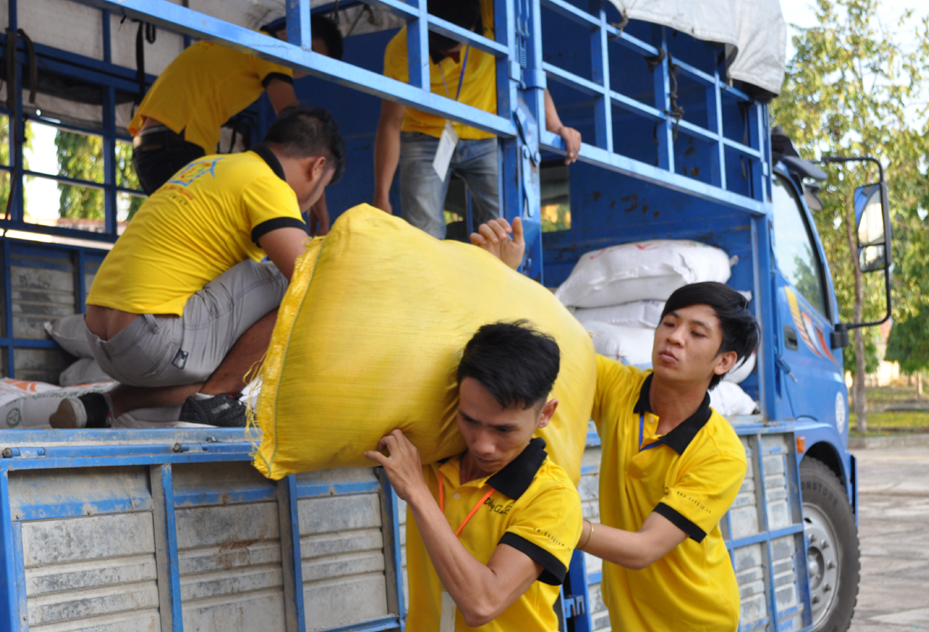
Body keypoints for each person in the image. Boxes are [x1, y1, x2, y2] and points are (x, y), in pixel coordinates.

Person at [473, 221, 759, 632]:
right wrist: (505, 276)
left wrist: (558, 524)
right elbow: (555, 343)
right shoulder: (622, 388)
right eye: (669, 323)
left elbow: (645, 547)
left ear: (723, 361)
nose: (674, 338)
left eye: (696, 333)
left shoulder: (720, 452)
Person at [362, 321, 580, 632]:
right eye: (469, 421)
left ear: (545, 414)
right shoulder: (432, 454)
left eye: (504, 429)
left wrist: (417, 493)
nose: (483, 445)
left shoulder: (552, 498)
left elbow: (483, 602)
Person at [50, 105, 345, 430]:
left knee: (234, 358)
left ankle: (107, 405)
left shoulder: (209, 166)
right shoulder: (268, 184)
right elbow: (313, 279)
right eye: (324, 188)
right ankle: (214, 403)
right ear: (317, 167)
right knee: (301, 280)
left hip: (101, 337)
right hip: (151, 337)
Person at [374, 0, 582, 239]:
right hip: (424, 136)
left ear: (473, 26)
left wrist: (555, 125)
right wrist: (382, 196)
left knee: (506, 225)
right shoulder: (400, 49)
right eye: (443, 51)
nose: (452, 56)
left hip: (487, 131)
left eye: (457, 47)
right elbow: (390, 122)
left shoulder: (495, 13)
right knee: (423, 233)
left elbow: (527, 70)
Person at [129, 16, 344, 232]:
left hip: (150, 147)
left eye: (313, 64)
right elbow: (301, 131)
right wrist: (316, 195)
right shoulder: (272, 48)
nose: (304, 65)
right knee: (226, 233)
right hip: (176, 144)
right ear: (290, 32)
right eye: (308, 51)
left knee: (199, 234)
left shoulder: (242, 41)